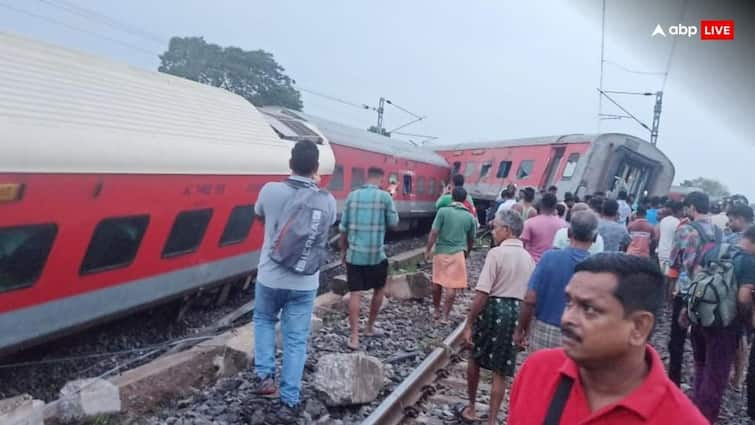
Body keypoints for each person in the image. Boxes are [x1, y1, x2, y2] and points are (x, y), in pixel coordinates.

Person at [507, 253, 707, 425]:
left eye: (590, 309)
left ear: (639, 327)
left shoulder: (679, 418)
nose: (567, 319)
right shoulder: (538, 371)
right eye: (569, 303)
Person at [252, 140, 337, 422]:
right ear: (316, 169)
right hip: (304, 282)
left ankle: (265, 378)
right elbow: (327, 228)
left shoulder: (270, 191)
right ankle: (290, 397)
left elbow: (259, 216)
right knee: (296, 339)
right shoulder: (327, 200)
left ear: (290, 163)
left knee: (264, 320)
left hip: (270, 275)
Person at [459, 210, 535, 424]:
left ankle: (472, 407)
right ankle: (492, 419)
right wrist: (525, 328)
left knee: (474, 355)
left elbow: (483, 292)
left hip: (494, 308)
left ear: (507, 230)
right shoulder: (529, 258)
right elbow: (530, 297)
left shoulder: (496, 254)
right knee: (501, 370)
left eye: (495, 227)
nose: (492, 231)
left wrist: (469, 322)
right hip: (516, 312)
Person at [672, 191, 736, 422]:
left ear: (691, 208)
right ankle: (701, 400)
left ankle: (673, 383)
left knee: (677, 341)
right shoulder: (720, 232)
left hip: (689, 291)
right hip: (710, 295)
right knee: (706, 349)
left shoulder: (685, 230)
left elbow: (679, 262)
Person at [514, 210, 597, 352]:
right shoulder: (597, 266)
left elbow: (530, 299)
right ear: (595, 237)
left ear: (569, 233)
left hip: (544, 327)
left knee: (541, 372)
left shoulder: (549, 258)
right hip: (580, 332)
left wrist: (520, 329)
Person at [339, 167, 399, 350]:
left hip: (355, 255)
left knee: (355, 293)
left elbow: (343, 228)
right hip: (376, 255)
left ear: (368, 178)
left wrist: (343, 251)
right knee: (379, 290)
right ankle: (370, 327)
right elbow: (394, 223)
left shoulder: (352, 196)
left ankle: (354, 336)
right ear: (381, 180)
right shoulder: (385, 197)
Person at [426, 187, 477, 322]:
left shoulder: (443, 212)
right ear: (465, 199)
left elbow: (434, 232)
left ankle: (436, 310)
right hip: (458, 253)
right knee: (452, 286)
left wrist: (428, 249)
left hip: (441, 251)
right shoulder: (469, 217)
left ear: (452, 197)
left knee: (437, 282)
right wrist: (468, 251)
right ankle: (445, 316)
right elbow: (471, 238)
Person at [520, 193, 567, 263]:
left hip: (531, 263)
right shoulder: (563, 225)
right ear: (555, 207)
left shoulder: (530, 223)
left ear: (541, 205)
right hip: (551, 264)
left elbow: (521, 245)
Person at [655, 201, 684, 300]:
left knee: (663, 277)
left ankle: (660, 298)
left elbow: (658, 236)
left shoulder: (664, 220)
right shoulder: (678, 223)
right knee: (671, 278)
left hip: (661, 252)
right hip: (671, 255)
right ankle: (667, 301)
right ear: (679, 210)